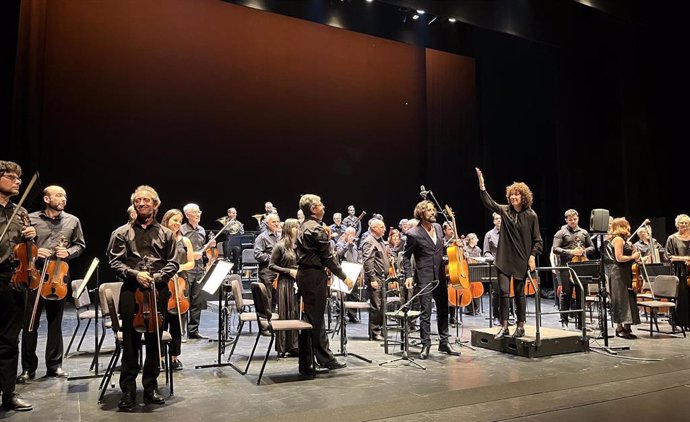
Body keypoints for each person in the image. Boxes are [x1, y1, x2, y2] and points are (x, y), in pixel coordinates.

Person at [108, 185, 178, 409]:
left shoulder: (167, 234)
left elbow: (173, 263)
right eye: (138, 200)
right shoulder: (121, 233)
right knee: (130, 342)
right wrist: (136, 274)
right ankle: (128, 391)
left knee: (154, 341)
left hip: (158, 291)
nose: (141, 203)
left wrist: (156, 278)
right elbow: (114, 262)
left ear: (156, 205)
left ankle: (150, 387)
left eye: (146, 200)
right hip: (131, 290)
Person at [18, 185, 86, 383]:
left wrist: (70, 252)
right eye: (58, 195)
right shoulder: (30, 218)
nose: (63, 198)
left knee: (56, 323)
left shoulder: (73, 220)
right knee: (30, 324)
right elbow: (19, 245)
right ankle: (28, 369)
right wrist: (35, 251)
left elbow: (80, 245)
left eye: (64, 195)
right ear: (47, 199)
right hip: (35, 275)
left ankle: (54, 366)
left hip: (58, 276)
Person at [476, 168, 543, 340]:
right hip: (504, 258)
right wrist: (482, 186)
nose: (513, 197)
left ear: (523, 197)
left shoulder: (531, 216)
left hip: (521, 260)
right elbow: (489, 203)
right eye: (511, 195)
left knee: (520, 294)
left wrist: (532, 256)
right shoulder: (505, 211)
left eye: (516, 195)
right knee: (503, 293)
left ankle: (520, 326)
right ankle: (504, 326)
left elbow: (538, 240)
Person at [296, 194, 353, 376]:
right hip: (314, 277)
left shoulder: (304, 226)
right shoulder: (316, 230)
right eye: (320, 205)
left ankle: (318, 359)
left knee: (312, 319)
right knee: (315, 320)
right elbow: (328, 258)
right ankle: (313, 362)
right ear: (313, 209)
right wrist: (344, 277)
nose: (324, 207)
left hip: (305, 275)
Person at [402, 200, 460, 359]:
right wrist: (408, 275)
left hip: (441, 276)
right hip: (424, 277)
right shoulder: (413, 234)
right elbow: (406, 257)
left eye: (433, 210)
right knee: (425, 312)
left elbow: (440, 250)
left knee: (443, 310)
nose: (433, 212)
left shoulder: (439, 228)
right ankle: (425, 344)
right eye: (429, 210)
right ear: (421, 214)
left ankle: (444, 342)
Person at [0, 160, 35, 411]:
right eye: (11, 177)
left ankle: (9, 393)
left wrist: (33, 238)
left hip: (12, 281)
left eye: (19, 178)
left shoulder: (21, 213)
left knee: (10, 340)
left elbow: (28, 253)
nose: (18, 181)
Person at [160, 209, 195, 370]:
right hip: (163, 283)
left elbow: (191, 263)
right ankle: (159, 357)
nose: (177, 223)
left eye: (179, 221)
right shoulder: (160, 239)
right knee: (161, 322)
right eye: (174, 220)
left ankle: (174, 357)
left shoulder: (185, 241)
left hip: (180, 282)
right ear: (166, 221)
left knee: (176, 323)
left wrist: (178, 267)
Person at [552, 209, 594, 328]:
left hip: (581, 266)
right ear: (566, 220)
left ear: (578, 218)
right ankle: (564, 321)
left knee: (581, 294)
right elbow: (555, 249)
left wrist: (583, 251)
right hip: (566, 266)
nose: (573, 222)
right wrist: (572, 251)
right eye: (570, 220)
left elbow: (592, 247)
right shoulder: (561, 233)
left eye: (575, 219)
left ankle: (581, 324)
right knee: (566, 294)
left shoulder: (584, 232)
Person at [180, 203, 214, 339]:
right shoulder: (181, 230)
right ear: (187, 215)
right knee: (183, 301)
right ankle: (181, 332)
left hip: (199, 268)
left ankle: (193, 331)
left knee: (197, 301)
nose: (198, 214)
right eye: (195, 212)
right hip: (186, 269)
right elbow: (178, 250)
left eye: (199, 211)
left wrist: (208, 246)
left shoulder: (201, 230)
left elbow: (201, 250)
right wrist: (191, 255)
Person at [269, 218, 300, 357]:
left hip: (296, 283)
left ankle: (295, 345)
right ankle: (284, 346)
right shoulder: (280, 245)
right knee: (286, 313)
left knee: (295, 313)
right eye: (295, 227)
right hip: (285, 283)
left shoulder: (298, 245)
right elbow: (271, 265)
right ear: (288, 229)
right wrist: (289, 271)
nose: (297, 229)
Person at [609, 218, 641, 338]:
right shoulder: (617, 239)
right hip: (619, 273)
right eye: (626, 225)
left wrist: (635, 255)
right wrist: (633, 255)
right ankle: (619, 328)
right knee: (621, 299)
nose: (629, 227)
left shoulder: (624, 240)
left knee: (629, 298)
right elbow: (619, 258)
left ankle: (627, 327)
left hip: (627, 272)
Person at [362, 218, 388, 341]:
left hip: (383, 277)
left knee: (382, 305)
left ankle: (381, 330)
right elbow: (367, 262)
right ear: (374, 228)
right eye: (382, 227)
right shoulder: (369, 241)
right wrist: (372, 278)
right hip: (376, 277)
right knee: (376, 306)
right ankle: (374, 332)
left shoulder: (380, 241)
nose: (384, 229)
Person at [665, 214, 690, 330]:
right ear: (677, 224)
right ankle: (678, 322)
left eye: (686, 222)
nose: (684, 225)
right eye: (682, 222)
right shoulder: (672, 238)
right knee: (681, 297)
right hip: (679, 272)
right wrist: (684, 259)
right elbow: (667, 257)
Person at [254, 213, 281, 311]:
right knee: (268, 299)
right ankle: (267, 323)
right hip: (267, 271)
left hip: (279, 270)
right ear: (267, 223)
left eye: (278, 221)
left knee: (277, 298)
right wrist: (273, 258)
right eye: (274, 222)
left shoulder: (280, 236)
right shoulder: (261, 237)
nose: (277, 224)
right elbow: (257, 255)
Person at [335, 226, 361, 323]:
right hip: (343, 272)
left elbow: (357, 257)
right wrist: (347, 245)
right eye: (350, 235)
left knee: (353, 295)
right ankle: (340, 315)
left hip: (353, 271)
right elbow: (339, 254)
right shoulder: (340, 244)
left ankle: (352, 315)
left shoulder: (355, 246)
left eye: (353, 235)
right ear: (345, 234)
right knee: (342, 295)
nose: (352, 237)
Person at [483, 212, 502, 324]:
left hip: (508, 265)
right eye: (497, 219)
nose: (499, 220)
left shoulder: (508, 233)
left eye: (500, 218)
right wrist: (494, 259)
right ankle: (496, 316)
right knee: (497, 291)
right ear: (494, 221)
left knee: (507, 292)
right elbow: (486, 252)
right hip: (496, 265)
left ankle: (506, 316)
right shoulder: (489, 235)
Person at [220, 207, 244, 272]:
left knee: (237, 252)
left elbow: (242, 232)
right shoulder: (224, 222)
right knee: (227, 256)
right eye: (233, 213)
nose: (235, 214)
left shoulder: (238, 223)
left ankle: (235, 271)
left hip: (235, 242)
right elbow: (222, 232)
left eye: (235, 213)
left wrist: (238, 229)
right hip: (227, 241)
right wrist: (230, 228)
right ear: (229, 213)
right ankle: (226, 272)